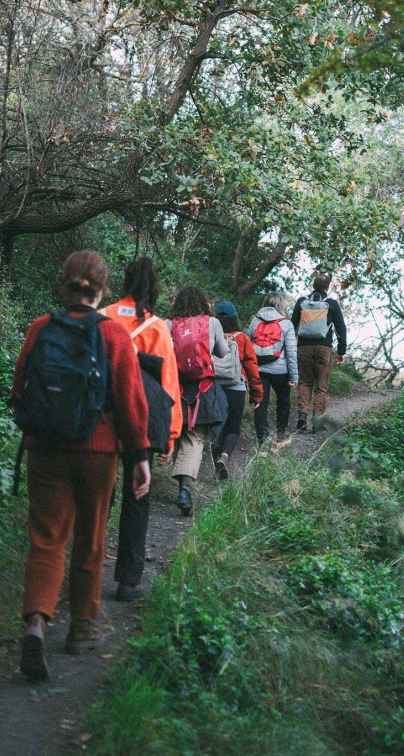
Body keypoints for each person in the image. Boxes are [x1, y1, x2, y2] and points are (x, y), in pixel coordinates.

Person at [11, 251, 150, 681]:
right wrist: (140, 456)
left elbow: (20, 387)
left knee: (47, 538)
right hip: (98, 449)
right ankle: (83, 627)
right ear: (103, 289)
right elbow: (130, 403)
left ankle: (36, 620)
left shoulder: (41, 327)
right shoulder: (113, 334)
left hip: (45, 448)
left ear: (64, 283)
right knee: (91, 537)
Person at [101, 257, 182, 603]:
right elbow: (168, 385)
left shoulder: (102, 316)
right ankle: (129, 580)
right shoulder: (156, 327)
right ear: (154, 286)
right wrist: (171, 435)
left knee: (101, 493)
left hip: (102, 416)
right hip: (140, 418)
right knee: (138, 496)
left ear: (123, 282)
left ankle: (87, 562)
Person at [167, 286, 228, 516]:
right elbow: (222, 353)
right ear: (203, 302)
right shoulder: (212, 323)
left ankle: (181, 484)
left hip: (175, 388)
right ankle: (185, 488)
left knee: (178, 434)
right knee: (194, 439)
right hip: (203, 389)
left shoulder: (168, 324)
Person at [211, 300, 263, 480]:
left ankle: (215, 468)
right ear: (235, 318)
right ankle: (224, 458)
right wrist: (256, 394)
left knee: (216, 427)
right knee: (233, 427)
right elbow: (252, 367)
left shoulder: (209, 334)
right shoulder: (242, 338)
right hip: (236, 386)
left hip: (213, 386)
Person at [291, 273, 347, 432]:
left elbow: (292, 325)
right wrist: (341, 351)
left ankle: (302, 415)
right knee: (321, 386)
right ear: (327, 288)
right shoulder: (331, 303)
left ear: (313, 286)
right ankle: (317, 422)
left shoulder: (302, 302)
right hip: (324, 348)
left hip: (303, 347)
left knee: (304, 382)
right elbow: (341, 328)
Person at [247, 292, 298, 447]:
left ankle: (262, 442)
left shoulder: (255, 321)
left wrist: (247, 370)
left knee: (260, 403)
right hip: (280, 371)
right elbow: (291, 351)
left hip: (259, 369)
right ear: (280, 304)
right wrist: (294, 376)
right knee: (283, 401)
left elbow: (247, 347)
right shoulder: (286, 323)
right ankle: (280, 436)